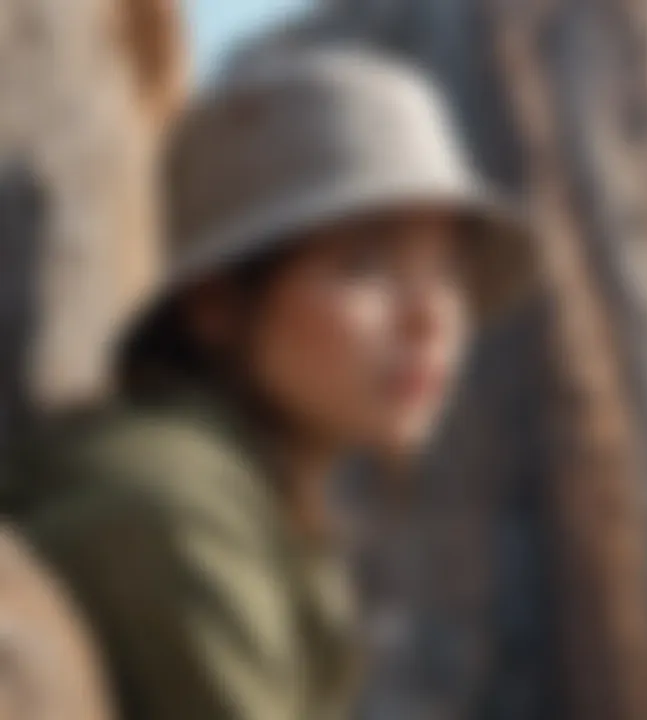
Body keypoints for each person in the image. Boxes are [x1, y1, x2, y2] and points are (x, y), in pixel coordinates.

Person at [12, 47, 535, 720]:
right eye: (364, 263)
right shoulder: (173, 510)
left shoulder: (261, 504)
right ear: (217, 306)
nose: (429, 318)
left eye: (447, 274)